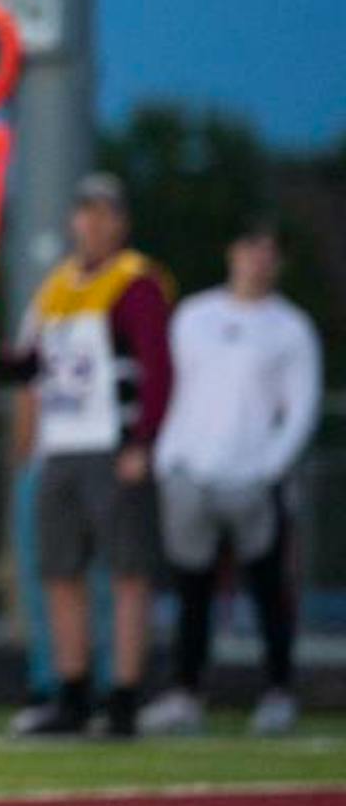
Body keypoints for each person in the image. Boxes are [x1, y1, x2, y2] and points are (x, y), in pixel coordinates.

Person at [0, 173, 174, 739]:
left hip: (111, 445)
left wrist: (143, 441)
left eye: (104, 213)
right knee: (59, 572)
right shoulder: (59, 287)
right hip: (61, 445)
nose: (92, 223)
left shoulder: (135, 283)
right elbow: (31, 366)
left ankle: (123, 696)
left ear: (121, 223)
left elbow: (158, 368)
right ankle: (72, 691)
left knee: (127, 573)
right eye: (85, 212)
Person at [139, 221, 321, 737]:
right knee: (191, 590)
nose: (257, 260)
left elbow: (301, 408)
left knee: (267, 589)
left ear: (278, 263)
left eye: (268, 252)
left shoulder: (291, 328)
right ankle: (185, 692)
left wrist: (270, 466)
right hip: (190, 474)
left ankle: (278, 691)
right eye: (250, 249)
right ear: (232, 253)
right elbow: (170, 388)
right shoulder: (195, 316)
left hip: (253, 480)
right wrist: (168, 457)